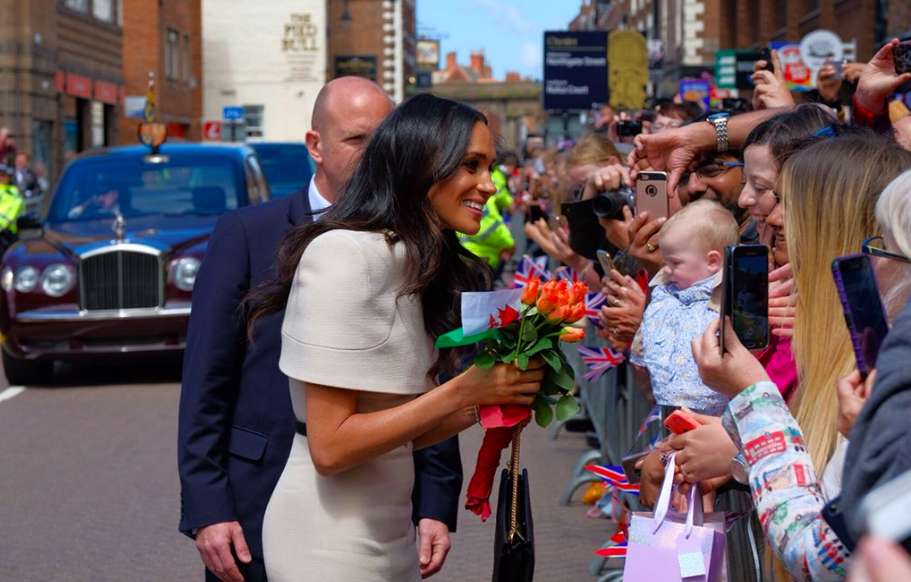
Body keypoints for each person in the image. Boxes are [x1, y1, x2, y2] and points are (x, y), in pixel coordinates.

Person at [243, 94, 543, 582]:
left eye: (489, 166)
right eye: (471, 165)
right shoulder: (343, 255)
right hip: (326, 541)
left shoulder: (411, 260)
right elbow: (331, 448)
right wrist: (465, 390)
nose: (489, 186)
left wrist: (498, 397)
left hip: (389, 534)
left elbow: (402, 432)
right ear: (421, 164)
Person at [178, 78, 463, 582]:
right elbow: (206, 379)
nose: (374, 157)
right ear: (316, 146)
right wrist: (208, 508)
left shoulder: (415, 241)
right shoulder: (248, 234)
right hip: (257, 500)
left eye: (384, 143)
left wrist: (436, 501)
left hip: (378, 510)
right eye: (357, 141)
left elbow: (425, 374)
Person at [690, 134, 911, 581]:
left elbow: (818, 554)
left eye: (783, 200)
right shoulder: (854, 359)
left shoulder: (894, 362)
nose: (766, 214)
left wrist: (752, 396)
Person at [630, 199, 739, 416]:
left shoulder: (729, 298)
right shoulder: (665, 293)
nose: (667, 270)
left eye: (675, 263)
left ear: (712, 262)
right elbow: (649, 329)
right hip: (668, 403)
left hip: (717, 409)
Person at [0, 164, 24, 249]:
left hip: (5, 235)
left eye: (3, 175)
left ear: (9, 177)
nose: (1, 178)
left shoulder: (13, 193)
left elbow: (9, 216)